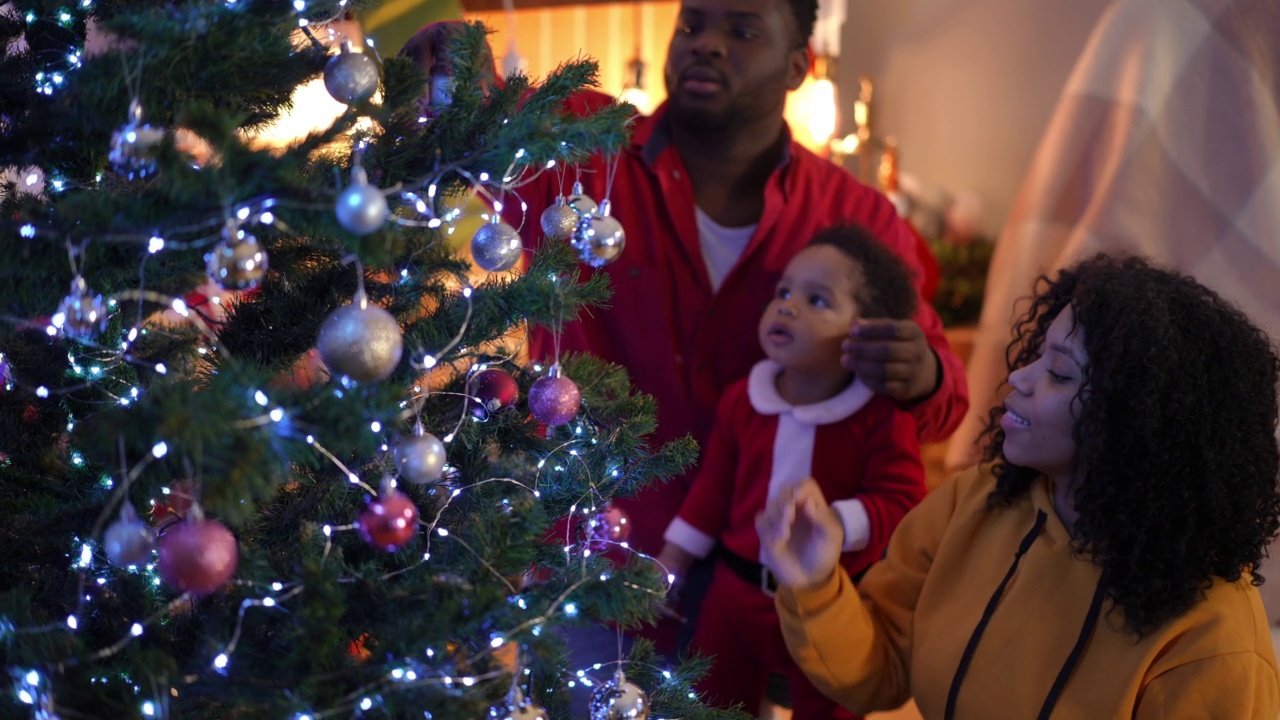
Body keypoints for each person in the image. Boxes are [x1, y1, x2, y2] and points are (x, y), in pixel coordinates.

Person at [507, 0, 969, 651]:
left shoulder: (852, 216)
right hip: (593, 570)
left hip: (768, 597)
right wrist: (447, 68)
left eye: (743, 30)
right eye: (692, 25)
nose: (708, 44)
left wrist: (918, 375)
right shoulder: (585, 153)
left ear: (795, 67)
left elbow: (944, 404)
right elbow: (475, 117)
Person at [757, 254, 1280, 718]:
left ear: (1137, 423)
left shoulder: (1215, 642)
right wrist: (814, 584)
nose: (1020, 378)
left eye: (1059, 372)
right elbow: (882, 669)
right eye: (1037, 355)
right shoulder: (978, 498)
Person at [656, 225, 928, 718]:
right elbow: (714, 489)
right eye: (783, 292)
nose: (787, 306)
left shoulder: (879, 416)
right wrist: (674, 556)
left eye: (817, 300)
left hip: (827, 605)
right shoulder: (745, 400)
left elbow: (903, 498)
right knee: (712, 701)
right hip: (733, 596)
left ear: (863, 331)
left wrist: (838, 523)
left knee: (830, 705)